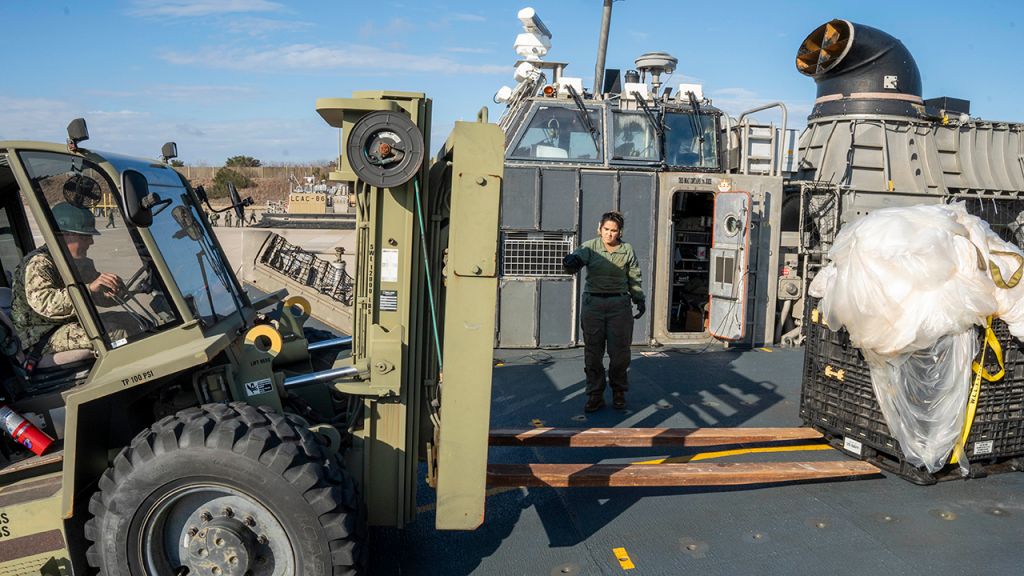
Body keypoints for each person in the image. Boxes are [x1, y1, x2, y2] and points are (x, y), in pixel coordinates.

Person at [11, 203, 126, 356]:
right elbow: (45, 304)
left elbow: (95, 296)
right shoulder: (39, 262)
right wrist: (89, 289)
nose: (91, 242)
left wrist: (115, 292)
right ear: (64, 235)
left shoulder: (76, 261)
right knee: (117, 334)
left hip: (66, 324)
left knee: (130, 321)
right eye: (85, 236)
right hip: (40, 335)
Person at [563, 211, 646, 412]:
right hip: (594, 305)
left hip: (619, 305)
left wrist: (639, 299)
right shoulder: (590, 247)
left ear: (620, 232)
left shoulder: (627, 249)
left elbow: (634, 277)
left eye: (614, 231)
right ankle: (595, 395)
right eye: (606, 229)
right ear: (599, 229)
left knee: (620, 355)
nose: (609, 234)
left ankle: (618, 391)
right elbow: (576, 260)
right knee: (593, 354)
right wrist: (571, 262)